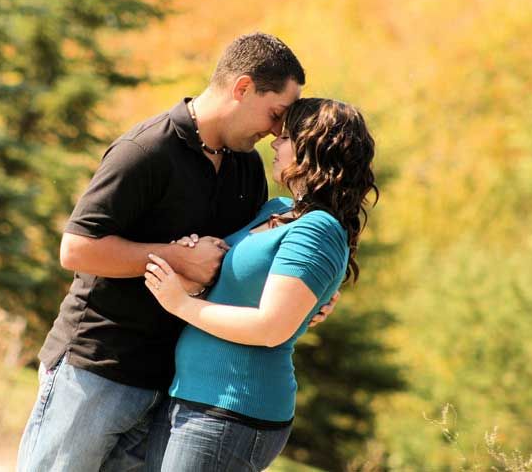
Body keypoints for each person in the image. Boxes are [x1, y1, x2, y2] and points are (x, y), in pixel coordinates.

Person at [16, 33, 338, 472]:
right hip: (98, 367)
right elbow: (76, 249)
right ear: (242, 88)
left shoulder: (246, 166)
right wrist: (176, 257)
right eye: (275, 113)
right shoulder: (147, 149)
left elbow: (247, 259)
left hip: (174, 386)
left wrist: (310, 297)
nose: (276, 132)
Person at [142, 98, 377, 472]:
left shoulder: (319, 230)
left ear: (314, 148)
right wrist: (191, 262)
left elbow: (271, 328)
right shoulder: (276, 209)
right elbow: (236, 291)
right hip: (191, 395)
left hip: (234, 408)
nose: (274, 143)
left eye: (285, 137)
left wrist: (180, 304)